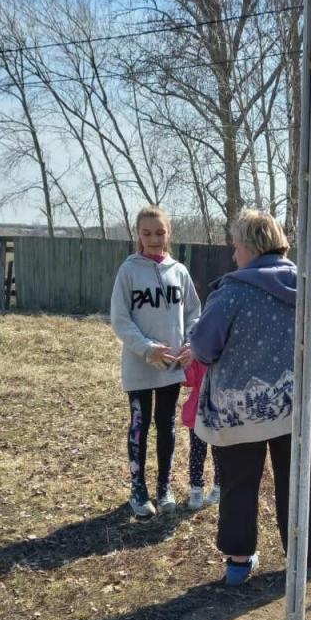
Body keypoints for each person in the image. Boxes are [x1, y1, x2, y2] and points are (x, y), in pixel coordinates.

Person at [189, 208, 311, 586]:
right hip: (299, 405)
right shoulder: (306, 284)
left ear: (250, 247)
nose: (233, 256)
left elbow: (203, 348)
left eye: (235, 247)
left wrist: (193, 331)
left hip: (242, 410)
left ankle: (238, 563)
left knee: (239, 483)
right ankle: (307, 558)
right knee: (300, 480)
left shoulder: (233, 292)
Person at [110, 205, 201, 519]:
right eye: (147, 233)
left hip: (171, 369)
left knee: (166, 426)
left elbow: (194, 313)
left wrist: (191, 343)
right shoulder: (128, 270)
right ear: (138, 234)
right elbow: (120, 320)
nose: (153, 238)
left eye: (159, 232)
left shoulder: (179, 271)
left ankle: (164, 487)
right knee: (139, 425)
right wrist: (148, 349)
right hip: (140, 367)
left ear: (169, 233)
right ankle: (138, 489)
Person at [181, 358, 221, 510]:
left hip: (219, 411)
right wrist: (186, 365)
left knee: (219, 451)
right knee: (197, 451)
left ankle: (219, 486)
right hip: (198, 412)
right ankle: (196, 488)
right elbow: (188, 381)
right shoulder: (198, 355)